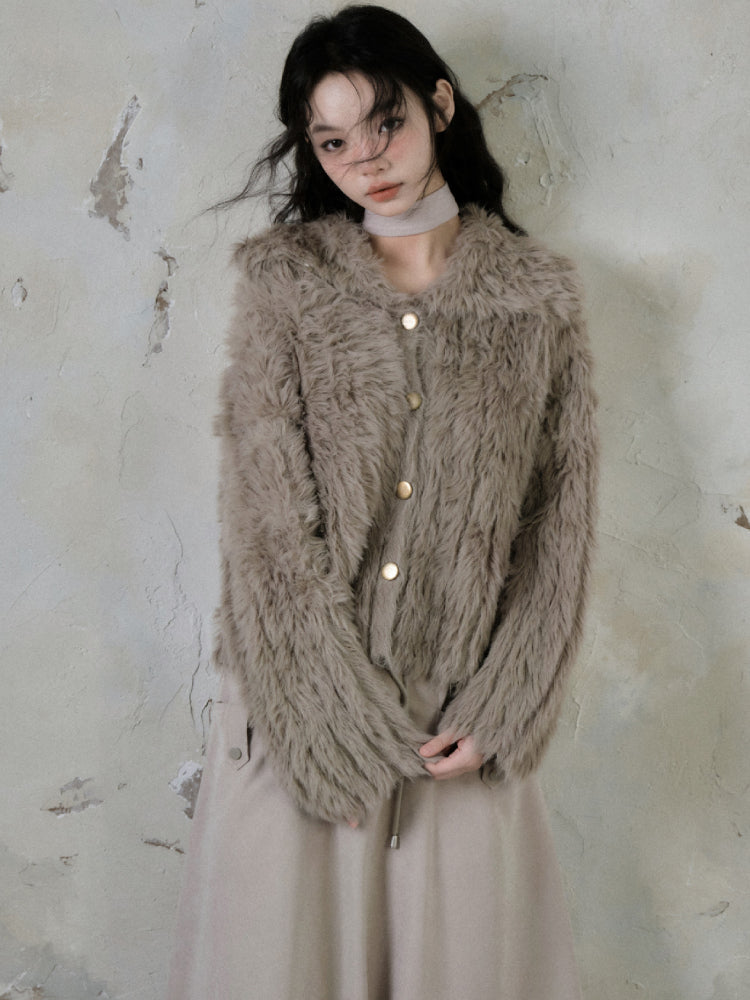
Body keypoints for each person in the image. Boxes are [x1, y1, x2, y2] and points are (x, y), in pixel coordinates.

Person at [168, 5, 597, 999]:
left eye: (385, 121)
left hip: (456, 728)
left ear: (438, 104)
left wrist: (508, 703)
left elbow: (560, 520)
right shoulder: (289, 286)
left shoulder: (535, 300)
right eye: (333, 141)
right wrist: (326, 716)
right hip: (297, 716)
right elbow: (264, 517)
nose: (365, 158)